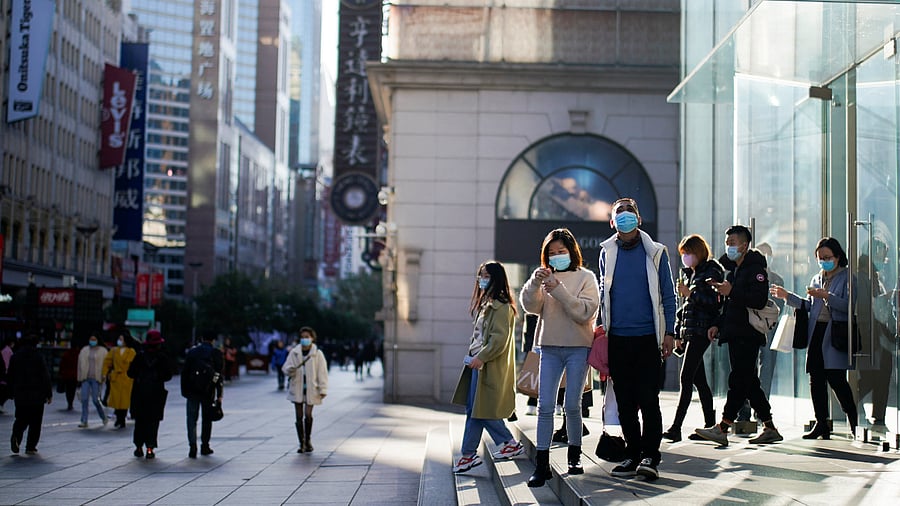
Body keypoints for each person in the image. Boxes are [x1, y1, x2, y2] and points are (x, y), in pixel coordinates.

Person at [598, 198, 676, 481]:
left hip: (647, 337)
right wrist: (600, 329)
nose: (626, 217)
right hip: (618, 337)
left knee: (648, 398)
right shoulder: (606, 251)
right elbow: (604, 294)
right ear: (612, 222)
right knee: (625, 401)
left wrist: (670, 332)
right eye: (620, 213)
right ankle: (632, 453)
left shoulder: (656, 252)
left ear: (639, 220)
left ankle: (650, 456)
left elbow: (668, 294)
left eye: (630, 212)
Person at [521, 228, 600, 487]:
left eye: (561, 252)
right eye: (551, 253)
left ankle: (574, 456)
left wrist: (559, 290)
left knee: (572, 405)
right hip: (549, 347)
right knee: (545, 406)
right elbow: (530, 307)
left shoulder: (586, 277)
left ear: (571, 251)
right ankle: (542, 465)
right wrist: (535, 283)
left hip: (578, 347)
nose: (556, 257)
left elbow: (584, 313)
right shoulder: (545, 277)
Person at [695, 225, 784, 446]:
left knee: (738, 380)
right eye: (727, 242)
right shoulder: (735, 270)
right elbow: (731, 303)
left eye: (733, 242)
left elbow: (758, 300)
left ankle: (723, 426)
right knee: (749, 382)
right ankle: (769, 426)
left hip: (748, 334)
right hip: (735, 332)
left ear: (745, 245)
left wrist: (731, 291)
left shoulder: (756, 270)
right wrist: (718, 323)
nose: (729, 246)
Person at [770, 237, 858, 439]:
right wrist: (787, 296)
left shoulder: (846, 278)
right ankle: (821, 423)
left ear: (837, 257)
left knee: (836, 379)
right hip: (817, 332)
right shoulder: (817, 278)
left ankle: (854, 420)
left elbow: (849, 306)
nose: (824, 261)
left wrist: (827, 296)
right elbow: (809, 306)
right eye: (820, 258)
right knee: (816, 379)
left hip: (834, 332)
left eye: (827, 257)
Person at [451, 261, 524, 473]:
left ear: (496, 278)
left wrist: (481, 357)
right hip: (479, 365)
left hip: (488, 367)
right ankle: (469, 454)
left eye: (485, 275)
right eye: (480, 275)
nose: (481, 279)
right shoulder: (488, 304)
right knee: (475, 409)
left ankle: (503, 444)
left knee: (478, 410)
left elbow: (498, 340)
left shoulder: (501, 307)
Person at [663, 234, 723, 442]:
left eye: (688, 253)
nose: (685, 258)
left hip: (702, 331)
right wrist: (680, 332)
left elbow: (713, 302)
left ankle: (676, 426)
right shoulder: (693, 273)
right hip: (691, 332)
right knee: (699, 380)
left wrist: (690, 294)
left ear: (698, 252)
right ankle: (709, 425)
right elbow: (686, 309)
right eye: (683, 254)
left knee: (685, 377)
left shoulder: (711, 270)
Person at [127, 330, 173, 459]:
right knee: (153, 422)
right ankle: (150, 447)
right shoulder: (162, 357)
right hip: (156, 393)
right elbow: (168, 375)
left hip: (140, 392)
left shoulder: (139, 356)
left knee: (140, 421)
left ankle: (138, 446)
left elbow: (130, 373)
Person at [283, 326, 328, 453]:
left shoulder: (317, 354)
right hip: (297, 387)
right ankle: (301, 443)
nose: (304, 340)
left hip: (311, 389)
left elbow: (322, 372)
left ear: (312, 338)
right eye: (302, 337)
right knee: (298, 416)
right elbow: (285, 368)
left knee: (308, 414)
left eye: (307, 337)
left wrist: (323, 388)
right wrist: (291, 369)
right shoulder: (294, 352)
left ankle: (308, 439)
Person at [181, 331, 224, 458]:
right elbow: (218, 374)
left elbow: (185, 372)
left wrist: (185, 390)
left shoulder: (192, 352)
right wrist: (218, 392)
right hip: (208, 390)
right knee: (207, 418)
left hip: (192, 391)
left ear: (201, 338)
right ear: (213, 340)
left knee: (191, 419)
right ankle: (205, 445)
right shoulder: (215, 353)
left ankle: (192, 445)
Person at [8, 335, 52, 454]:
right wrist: (49, 393)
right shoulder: (38, 357)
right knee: (35, 422)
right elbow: (45, 376)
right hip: (37, 395)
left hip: (20, 394)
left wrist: (10, 392)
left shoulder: (15, 357)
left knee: (21, 418)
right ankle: (31, 446)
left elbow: (10, 375)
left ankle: (16, 436)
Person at [102, 331, 137, 428]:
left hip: (127, 378)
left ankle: (122, 418)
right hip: (116, 377)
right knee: (116, 399)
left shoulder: (131, 351)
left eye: (121, 339)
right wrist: (104, 373)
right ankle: (118, 418)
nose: (119, 341)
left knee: (125, 400)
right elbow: (107, 362)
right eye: (119, 339)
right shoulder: (113, 351)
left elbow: (133, 365)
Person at [77, 334, 109, 428]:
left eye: (94, 339)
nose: (92, 341)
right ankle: (84, 420)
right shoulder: (84, 350)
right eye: (91, 339)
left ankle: (103, 417)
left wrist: (104, 376)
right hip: (85, 377)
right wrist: (79, 377)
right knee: (84, 399)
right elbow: (79, 364)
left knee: (95, 400)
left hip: (96, 378)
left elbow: (106, 364)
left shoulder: (103, 351)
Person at [58, 346, 80, 411]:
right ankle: (71, 402)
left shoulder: (66, 354)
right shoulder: (78, 354)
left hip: (67, 375)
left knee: (68, 389)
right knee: (72, 390)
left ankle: (69, 402)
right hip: (75, 375)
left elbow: (62, 364)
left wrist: (60, 373)